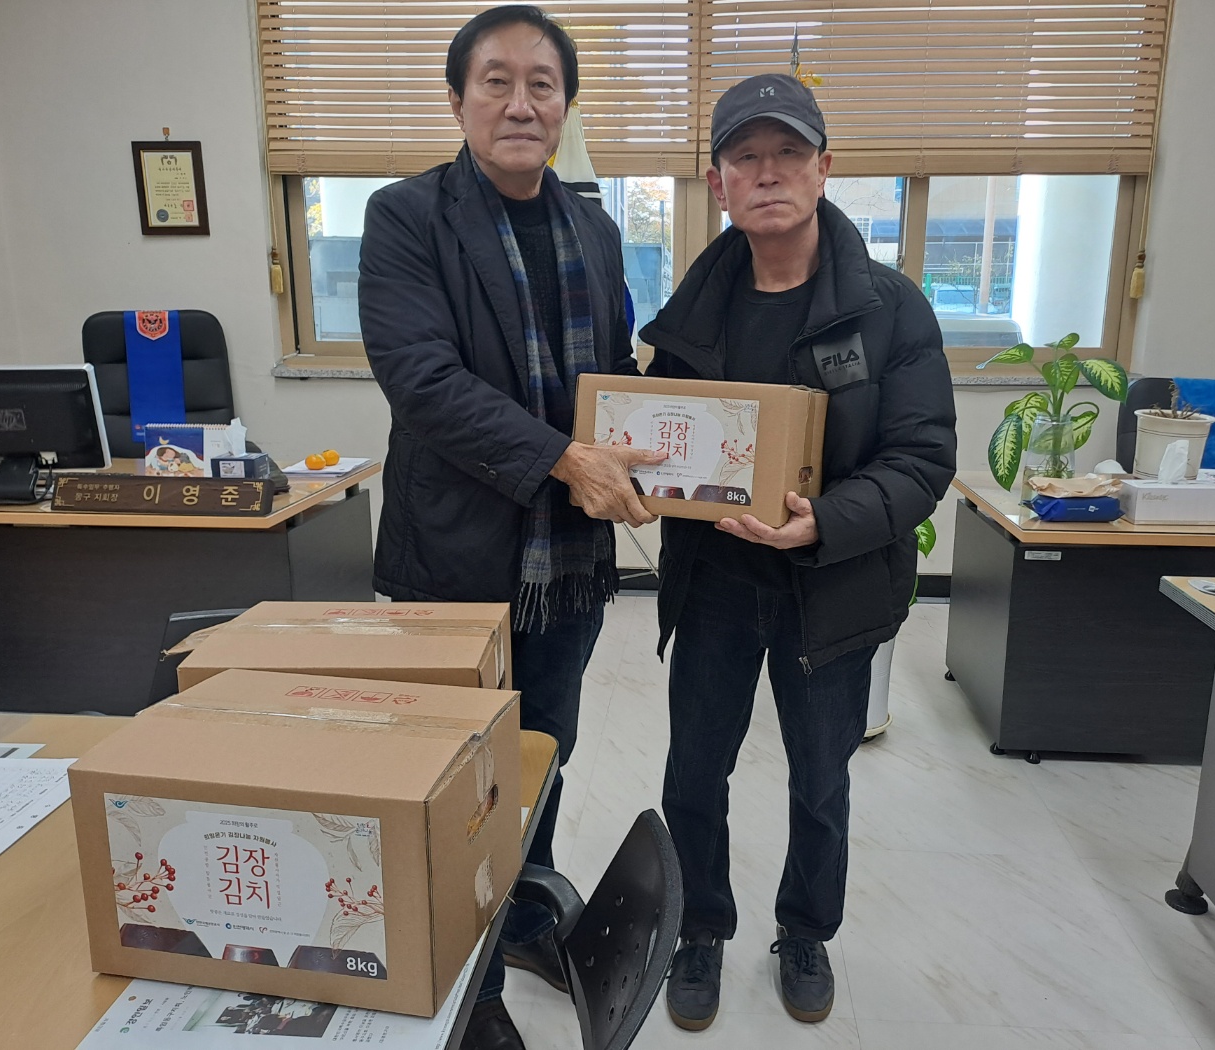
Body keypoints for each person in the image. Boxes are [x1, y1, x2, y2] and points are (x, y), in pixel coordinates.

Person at [357, 7, 663, 1048]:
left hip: (564, 562)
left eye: (542, 83)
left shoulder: (594, 228)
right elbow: (422, 381)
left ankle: (520, 916)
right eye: (496, 81)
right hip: (454, 560)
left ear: (564, 105)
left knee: (542, 754)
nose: (520, 103)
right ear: (458, 101)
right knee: (452, 782)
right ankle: (470, 992)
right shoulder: (407, 216)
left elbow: (610, 377)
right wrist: (565, 459)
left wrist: (676, 440)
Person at [639, 74, 958, 1029]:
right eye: (746, 157)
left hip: (834, 582)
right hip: (716, 581)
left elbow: (922, 457)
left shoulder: (890, 307)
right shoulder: (692, 311)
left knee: (821, 777)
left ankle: (806, 930)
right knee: (696, 770)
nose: (768, 173)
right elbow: (663, 433)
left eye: (789, 154)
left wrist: (825, 521)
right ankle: (701, 927)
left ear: (825, 169)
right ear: (718, 182)